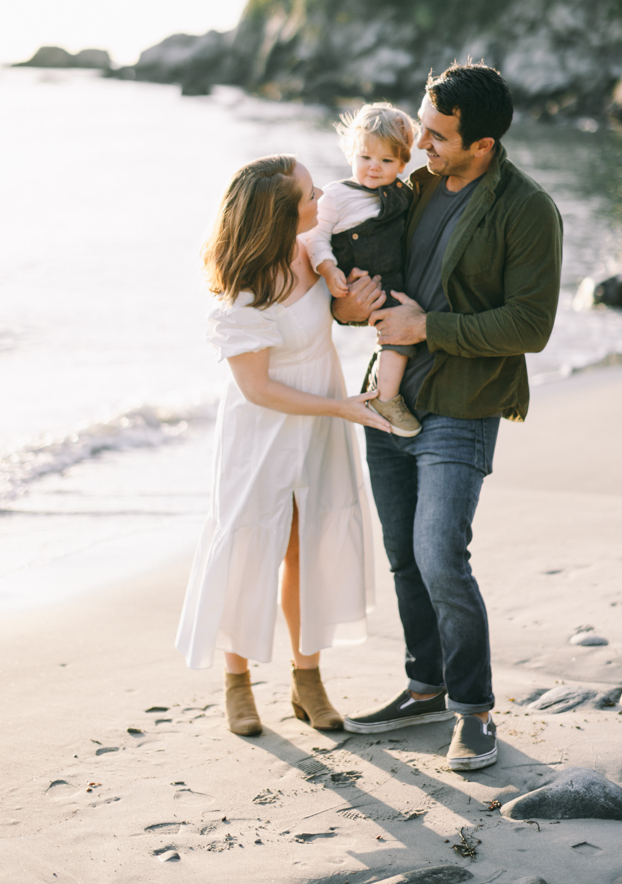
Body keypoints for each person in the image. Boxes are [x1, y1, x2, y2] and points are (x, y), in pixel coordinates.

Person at [332, 62, 563, 771]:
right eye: (422, 128)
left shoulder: (528, 210)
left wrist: (427, 329)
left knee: (440, 556)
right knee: (404, 556)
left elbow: (529, 325)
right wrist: (352, 302)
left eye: (436, 134)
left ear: (482, 143)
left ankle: (474, 710)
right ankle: (424, 686)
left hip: (463, 407)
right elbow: (369, 278)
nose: (420, 143)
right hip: (388, 399)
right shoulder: (414, 188)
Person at [175, 154, 390, 737]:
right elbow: (259, 388)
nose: (322, 193)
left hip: (320, 419)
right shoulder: (242, 289)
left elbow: (332, 313)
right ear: (280, 213)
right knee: (251, 545)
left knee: (308, 544)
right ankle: (237, 683)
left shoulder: (310, 249)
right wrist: (342, 408)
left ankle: (307, 679)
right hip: (264, 430)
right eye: (309, 191)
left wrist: (355, 303)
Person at [304, 103, 421, 437]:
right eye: (365, 158)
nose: (373, 168)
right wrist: (328, 270)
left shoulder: (403, 193)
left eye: (386, 161)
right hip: (358, 283)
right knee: (396, 336)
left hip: (394, 280)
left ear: (402, 162)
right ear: (351, 153)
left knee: (398, 334)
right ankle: (387, 397)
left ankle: (386, 392)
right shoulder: (337, 196)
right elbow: (316, 238)